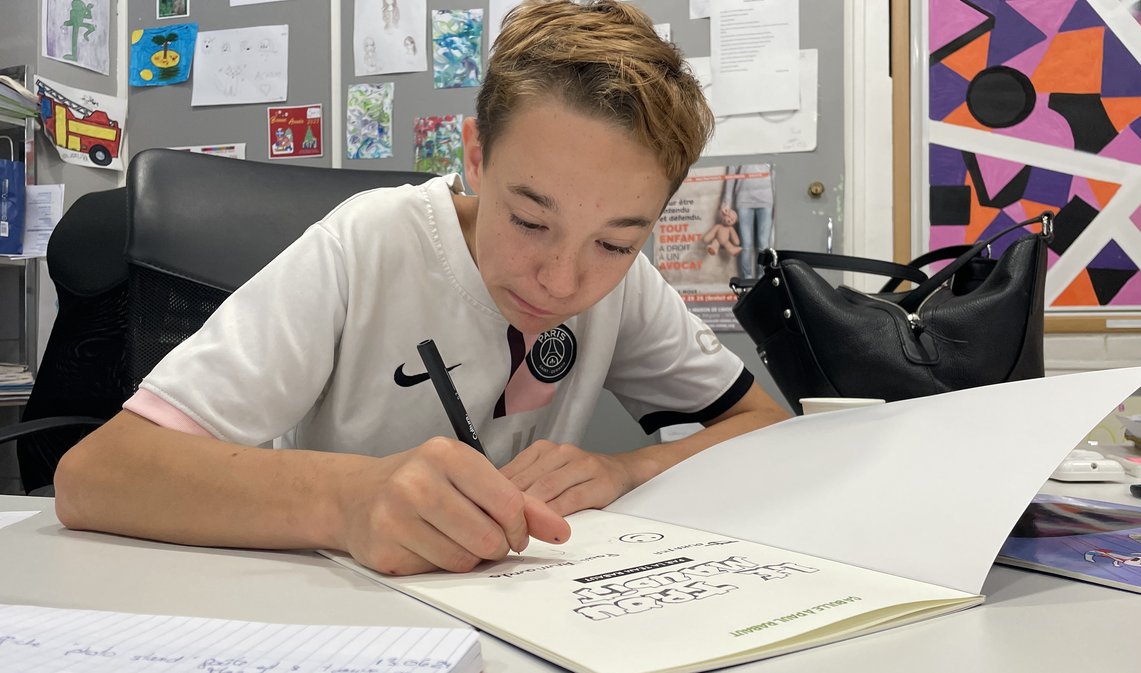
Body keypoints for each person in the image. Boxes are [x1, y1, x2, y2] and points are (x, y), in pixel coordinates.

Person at [54, 0, 789, 578]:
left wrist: (624, 468)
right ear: (475, 156)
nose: (564, 281)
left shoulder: (624, 287)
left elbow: (762, 425)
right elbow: (97, 476)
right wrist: (348, 501)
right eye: (531, 220)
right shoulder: (368, 244)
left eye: (616, 242)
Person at [720, 164, 774, 279]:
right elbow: (731, 173)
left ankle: (763, 278)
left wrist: (778, 201)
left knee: (764, 243)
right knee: (746, 244)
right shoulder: (737, 148)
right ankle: (747, 278)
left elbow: (775, 173)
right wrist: (727, 201)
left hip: (766, 199)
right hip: (744, 199)